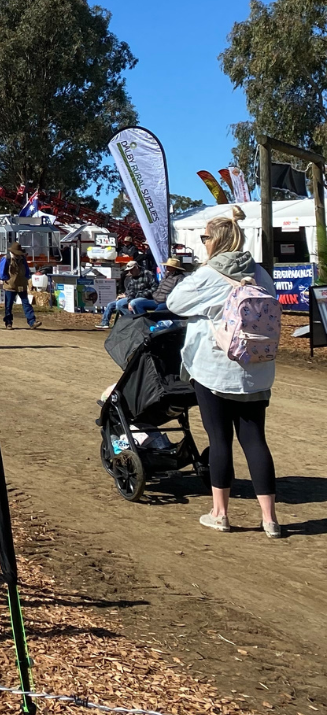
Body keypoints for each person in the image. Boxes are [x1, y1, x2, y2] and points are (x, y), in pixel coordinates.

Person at [166, 207, 281, 537]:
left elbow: (175, 303)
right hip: (257, 368)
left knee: (220, 441)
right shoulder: (260, 274)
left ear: (215, 240)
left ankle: (220, 513)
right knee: (256, 440)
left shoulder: (208, 275)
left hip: (215, 368)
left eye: (204, 237)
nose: (203, 243)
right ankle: (270, 519)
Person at [95, 261, 154, 329]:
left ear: (136, 267)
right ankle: (131, 321)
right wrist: (129, 300)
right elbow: (131, 291)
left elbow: (154, 287)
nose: (130, 272)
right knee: (117, 304)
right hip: (133, 297)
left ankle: (136, 321)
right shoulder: (132, 277)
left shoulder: (148, 274)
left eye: (131, 270)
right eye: (129, 270)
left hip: (145, 297)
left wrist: (142, 294)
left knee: (125, 303)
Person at [0, 241, 41, 330]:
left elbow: (26, 269)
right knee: (8, 305)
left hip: (21, 284)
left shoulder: (22, 258)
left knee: (26, 303)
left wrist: (26, 278)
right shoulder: (6, 258)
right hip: (10, 285)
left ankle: (32, 321)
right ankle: (8, 322)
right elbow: (2, 272)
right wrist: (6, 279)